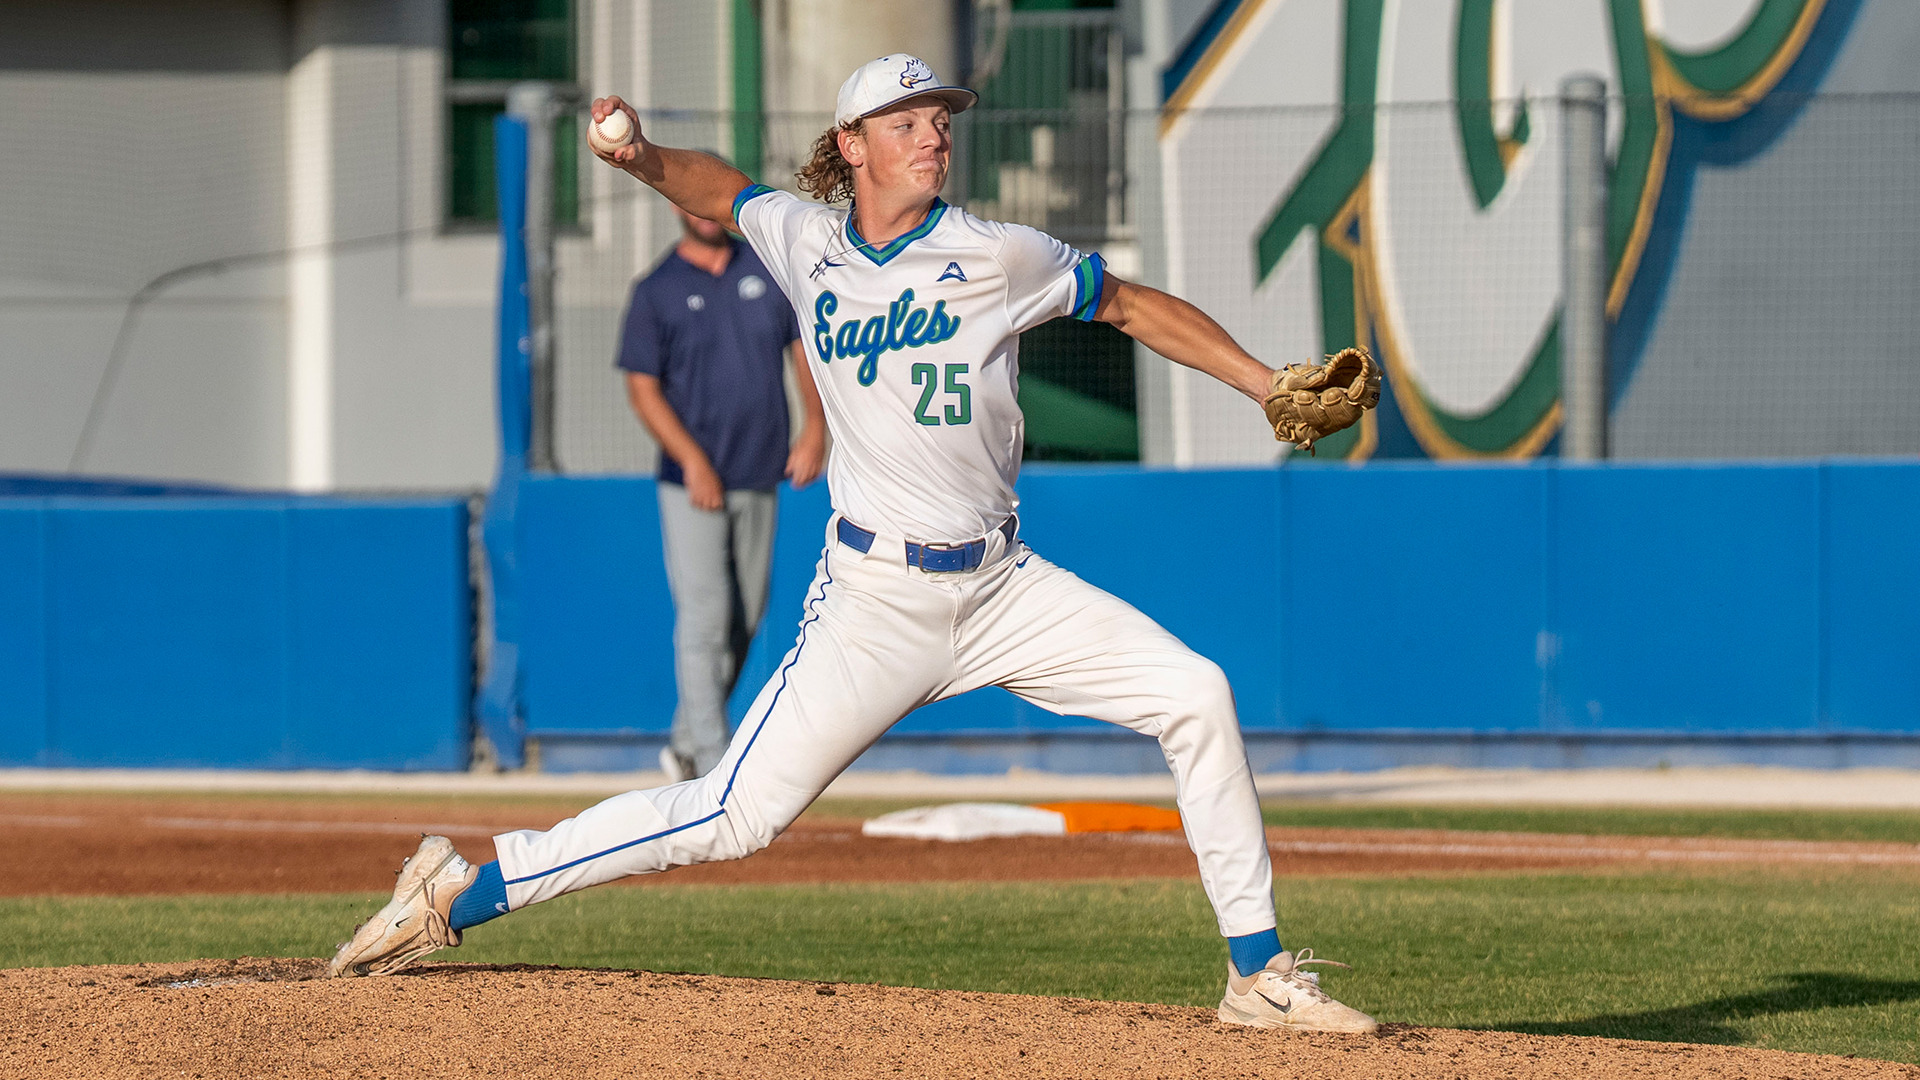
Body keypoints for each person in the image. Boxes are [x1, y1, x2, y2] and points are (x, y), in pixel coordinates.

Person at [328, 54, 1377, 1035]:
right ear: (853, 142)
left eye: (941, 120)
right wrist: (642, 158)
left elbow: (1134, 305)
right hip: (875, 602)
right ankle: (467, 888)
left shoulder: (998, 253)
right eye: (908, 121)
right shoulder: (807, 242)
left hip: (1005, 586)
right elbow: (718, 188)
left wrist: (1263, 382)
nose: (935, 136)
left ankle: (1258, 977)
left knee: (1196, 693)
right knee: (732, 815)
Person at [618, 199, 826, 782]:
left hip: (761, 473)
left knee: (746, 617)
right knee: (705, 613)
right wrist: (693, 462)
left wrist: (816, 427)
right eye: (693, 202)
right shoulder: (656, 290)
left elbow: (803, 351)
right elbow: (643, 390)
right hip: (692, 486)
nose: (705, 215)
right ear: (678, 208)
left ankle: (687, 741)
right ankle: (714, 760)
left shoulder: (763, 272)